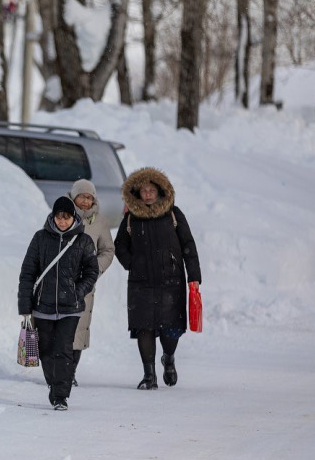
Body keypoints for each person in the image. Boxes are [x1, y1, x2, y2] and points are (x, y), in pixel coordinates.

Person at [113, 167, 201, 390]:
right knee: (144, 327)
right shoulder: (131, 218)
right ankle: (148, 375)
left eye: (152, 190)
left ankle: (168, 358)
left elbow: (188, 245)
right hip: (141, 283)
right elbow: (119, 245)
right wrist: (131, 264)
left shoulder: (173, 214)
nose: (148, 194)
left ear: (160, 191)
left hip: (171, 282)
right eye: (144, 191)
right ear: (138, 193)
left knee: (171, 330)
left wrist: (194, 276)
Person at [18, 196, 99, 410]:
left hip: (70, 308)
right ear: (53, 217)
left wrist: (77, 291)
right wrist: (25, 305)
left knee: (63, 349)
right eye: (59, 217)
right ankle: (54, 385)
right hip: (42, 307)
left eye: (66, 217)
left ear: (73, 217)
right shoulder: (40, 238)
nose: (62, 221)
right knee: (45, 351)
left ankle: (61, 396)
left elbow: (92, 272)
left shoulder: (83, 241)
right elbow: (27, 273)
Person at [67, 180, 115, 386]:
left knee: (78, 326)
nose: (86, 201)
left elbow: (107, 250)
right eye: (82, 196)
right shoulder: (62, 216)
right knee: (59, 327)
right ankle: (58, 369)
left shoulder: (100, 222)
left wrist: (94, 270)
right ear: (74, 197)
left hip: (84, 284)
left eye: (89, 197)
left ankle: (70, 372)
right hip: (61, 281)